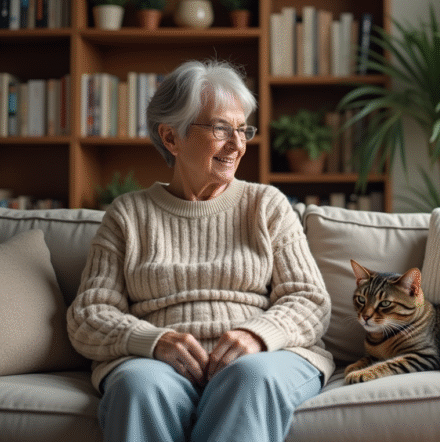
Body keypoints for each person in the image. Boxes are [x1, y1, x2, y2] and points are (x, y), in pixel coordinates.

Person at [67, 59, 334, 442]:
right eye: (222, 128)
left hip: (262, 360)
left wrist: (258, 335)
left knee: (248, 378)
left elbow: (310, 300)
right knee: (139, 387)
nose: (237, 144)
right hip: (158, 365)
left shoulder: (266, 206)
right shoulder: (128, 215)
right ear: (172, 138)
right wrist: (152, 341)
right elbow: (88, 315)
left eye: (243, 130)